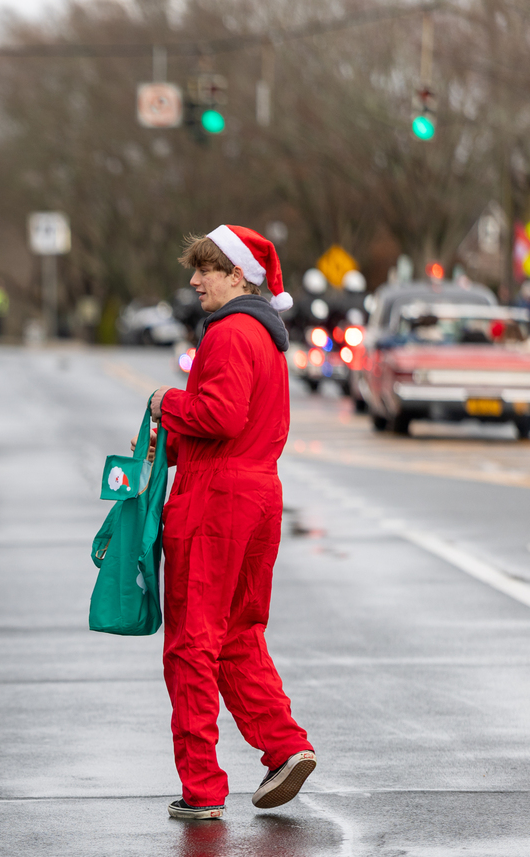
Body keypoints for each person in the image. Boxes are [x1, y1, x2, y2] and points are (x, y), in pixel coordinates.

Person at [150, 225, 315, 822]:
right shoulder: (267, 338)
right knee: (240, 633)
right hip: (260, 495)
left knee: (192, 643)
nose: (195, 280)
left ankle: (201, 789)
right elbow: (241, 422)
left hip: (214, 501)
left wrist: (163, 404)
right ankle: (286, 746)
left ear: (238, 275)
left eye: (206, 270)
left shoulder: (227, 335)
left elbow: (218, 415)